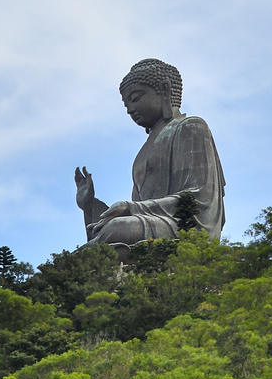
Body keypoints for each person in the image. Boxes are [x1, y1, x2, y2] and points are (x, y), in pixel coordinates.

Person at [75, 58, 224, 250]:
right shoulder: (143, 151)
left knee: (116, 229)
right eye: (126, 105)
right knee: (96, 240)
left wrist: (131, 208)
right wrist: (88, 205)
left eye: (136, 99)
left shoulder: (190, 127)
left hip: (183, 226)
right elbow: (137, 211)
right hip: (152, 223)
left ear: (164, 89)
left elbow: (198, 198)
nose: (130, 109)